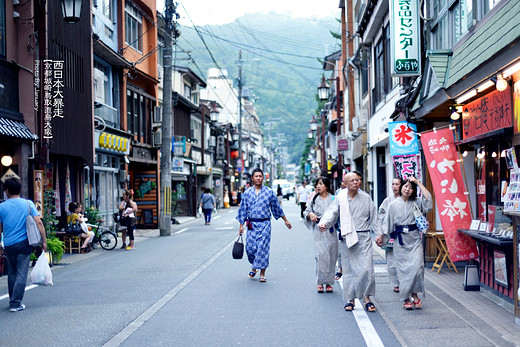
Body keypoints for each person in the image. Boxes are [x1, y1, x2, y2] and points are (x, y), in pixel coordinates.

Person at [319, 171, 378, 312]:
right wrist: (324, 223)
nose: (356, 182)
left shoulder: (366, 198)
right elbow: (332, 212)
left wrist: (380, 234)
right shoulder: (340, 198)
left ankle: (367, 298)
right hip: (347, 237)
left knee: (367, 269)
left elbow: (374, 217)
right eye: (352, 180)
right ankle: (350, 299)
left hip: (363, 238)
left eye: (358, 179)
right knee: (349, 269)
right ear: (345, 184)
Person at [376, 176, 433, 310]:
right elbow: (387, 223)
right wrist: (381, 236)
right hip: (400, 242)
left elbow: (428, 201)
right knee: (403, 271)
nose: (408, 189)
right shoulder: (392, 205)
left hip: (414, 240)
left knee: (417, 268)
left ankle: (415, 294)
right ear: (401, 188)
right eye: (406, 186)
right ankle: (407, 298)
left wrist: (418, 182)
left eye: (411, 188)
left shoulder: (417, 202)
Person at [236, 168, 292, 282]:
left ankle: (262, 273)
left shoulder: (269, 192)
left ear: (263, 178)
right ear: (252, 178)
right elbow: (242, 210)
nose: (258, 178)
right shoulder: (247, 193)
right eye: (256, 176)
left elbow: (276, 208)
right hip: (251, 224)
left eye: (260, 176)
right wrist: (241, 226)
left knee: (263, 249)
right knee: (250, 249)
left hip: (265, 224)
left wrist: (285, 220)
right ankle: (254, 266)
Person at [0, 177, 47, 312]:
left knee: (12, 272)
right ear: (20, 190)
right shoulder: (28, 204)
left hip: (9, 244)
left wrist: (0, 246)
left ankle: (12, 300)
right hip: (24, 243)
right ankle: (15, 303)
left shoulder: (2, 207)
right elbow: (39, 222)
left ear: (7, 191)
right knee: (21, 273)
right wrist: (44, 241)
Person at [303, 177, 337, 293]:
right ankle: (320, 282)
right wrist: (310, 215)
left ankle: (329, 282)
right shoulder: (313, 199)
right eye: (317, 184)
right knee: (320, 255)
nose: (318, 186)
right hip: (318, 231)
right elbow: (306, 212)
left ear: (326, 186)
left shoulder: (333, 199)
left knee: (331, 256)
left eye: (321, 184)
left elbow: (338, 214)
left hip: (330, 231)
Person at [378, 177, 403, 293]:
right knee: (391, 261)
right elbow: (381, 213)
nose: (394, 186)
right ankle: (395, 283)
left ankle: (404, 281)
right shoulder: (387, 201)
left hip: (403, 234)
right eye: (392, 184)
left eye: (397, 184)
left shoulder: (406, 200)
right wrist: (386, 223)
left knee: (403, 260)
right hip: (390, 234)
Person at [334, 177, 348, 281]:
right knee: (340, 250)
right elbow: (333, 210)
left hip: (357, 229)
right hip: (341, 227)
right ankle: (340, 269)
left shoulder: (362, 195)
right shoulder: (338, 194)